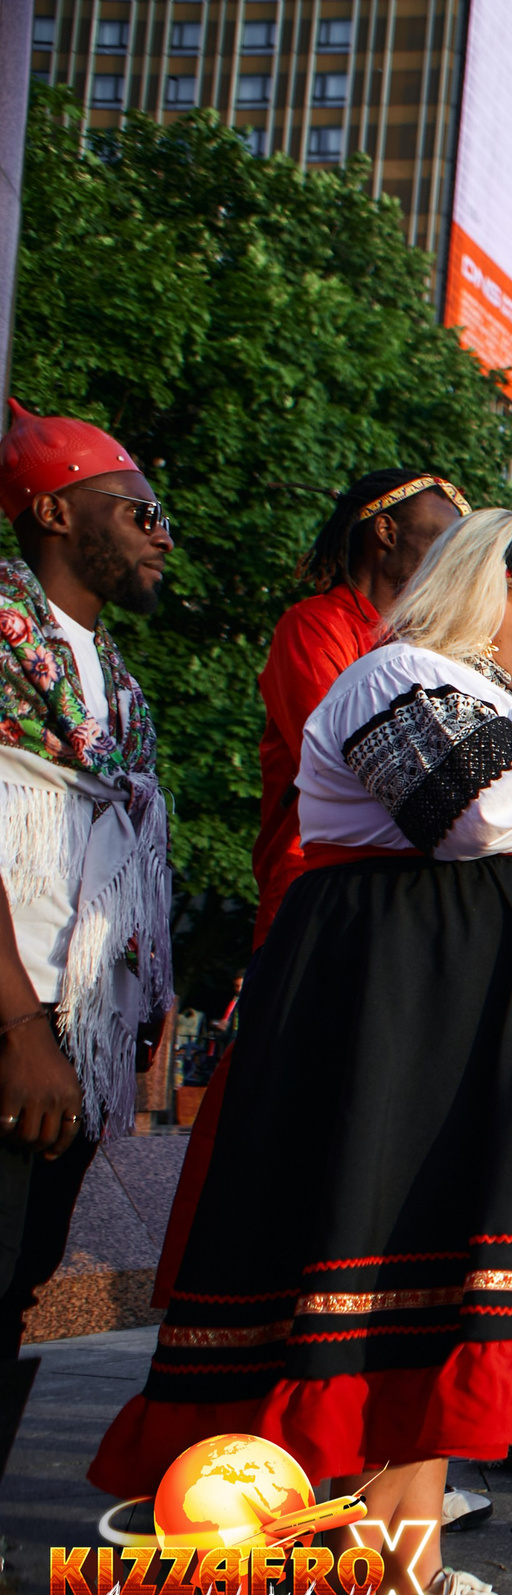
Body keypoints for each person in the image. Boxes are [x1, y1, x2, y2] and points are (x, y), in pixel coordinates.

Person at [91, 509, 512, 1595]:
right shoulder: (391, 675)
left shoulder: (506, 707)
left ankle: (405, 1576)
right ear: (485, 588)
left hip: (471, 1039)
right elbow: (469, 813)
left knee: (441, 1312)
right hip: (380, 1032)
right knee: (352, 1301)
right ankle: (314, 1594)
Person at [0, 403, 173, 1421]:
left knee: (20, 1304)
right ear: (57, 512)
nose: (160, 532)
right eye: (138, 509)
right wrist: (19, 1029)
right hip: (16, 1032)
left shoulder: (120, 692)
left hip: (74, 1048)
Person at [252, 470, 471, 946]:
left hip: (402, 900)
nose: (452, 563)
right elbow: (352, 761)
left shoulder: (430, 651)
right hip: (318, 890)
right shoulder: (314, 624)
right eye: (440, 542)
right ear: (387, 533)